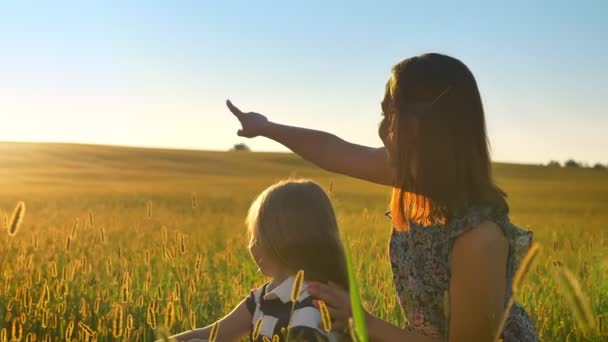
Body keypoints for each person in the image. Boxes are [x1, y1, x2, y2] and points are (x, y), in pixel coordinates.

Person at [226, 53, 539, 341]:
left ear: (426, 126)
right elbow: (331, 150)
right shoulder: (409, 177)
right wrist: (265, 127)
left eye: (391, 115)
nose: (380, 130)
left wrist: (364, 321)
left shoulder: (479, 236)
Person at [168, 179, 349, 341]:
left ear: (285, 240)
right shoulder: (262, 298)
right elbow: (212, 334)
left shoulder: (312, 302)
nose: (251, 247)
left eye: (258, 239)